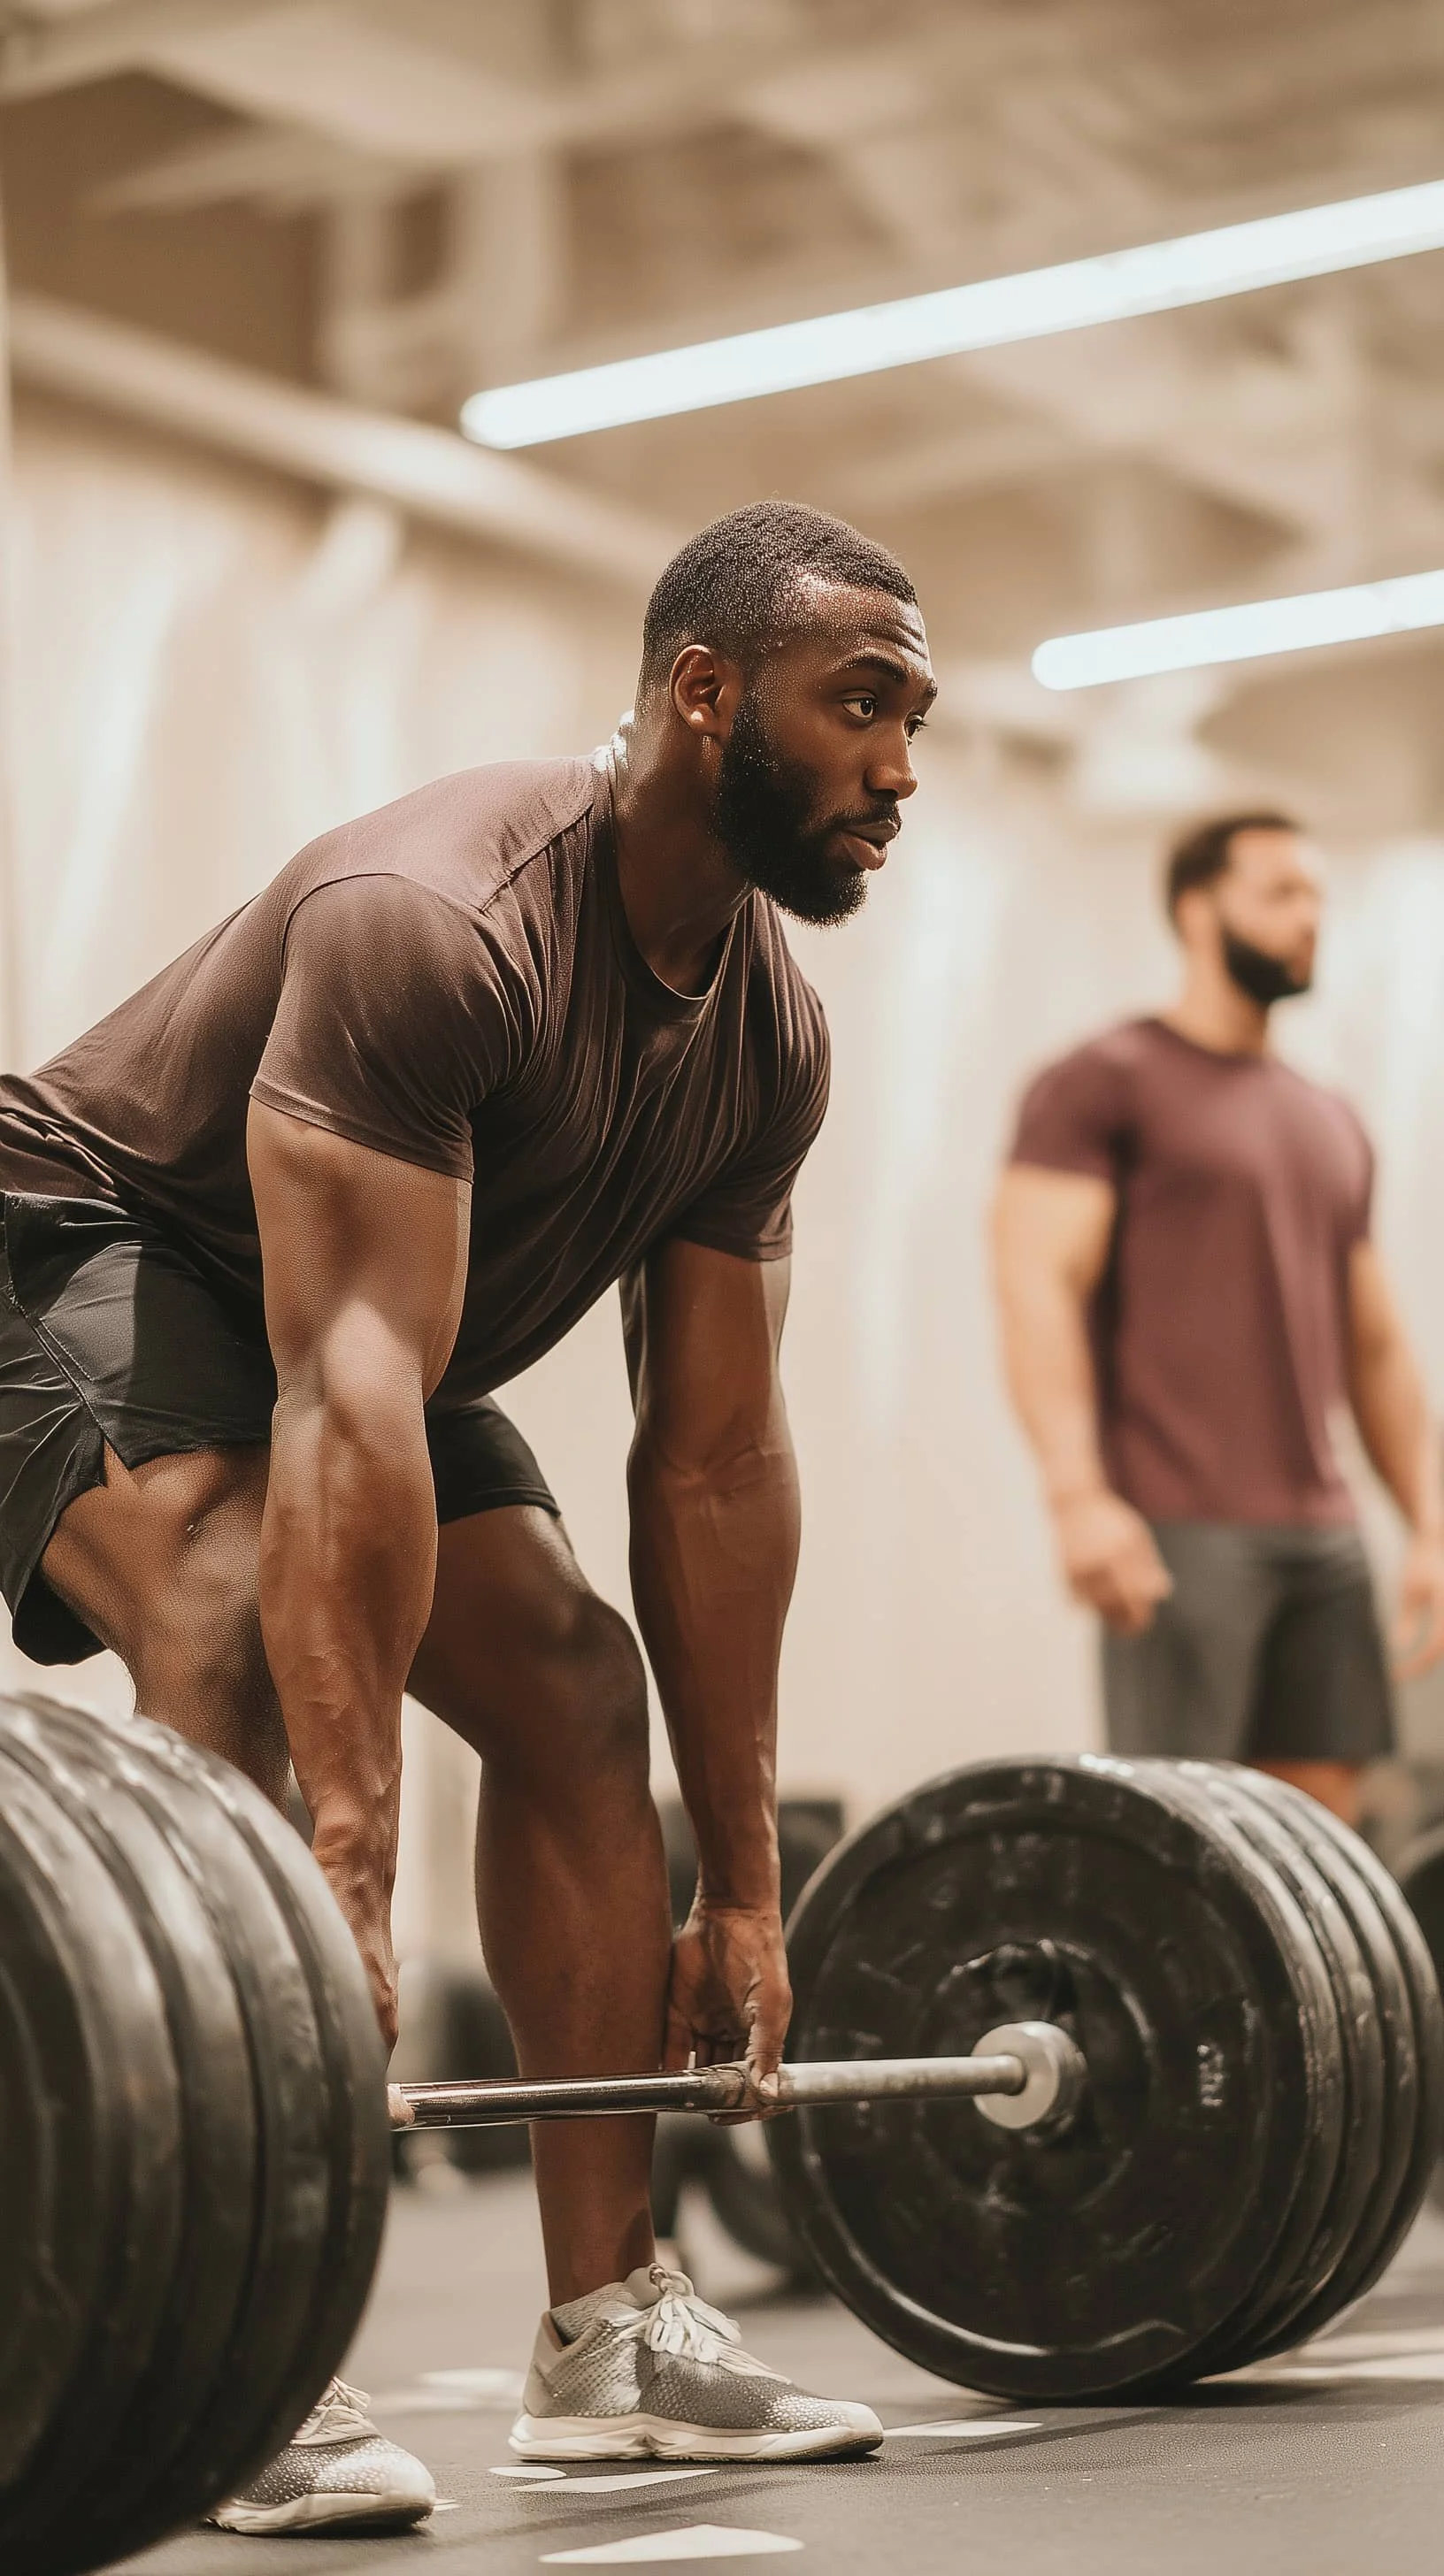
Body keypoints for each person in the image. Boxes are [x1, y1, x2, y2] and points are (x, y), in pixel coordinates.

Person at [0, 502, 936, 2532]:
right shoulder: (440, 919)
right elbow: (342, 1390)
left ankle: (607, 2340)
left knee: (584, 1699)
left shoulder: (767, 1033)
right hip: (85, 1236)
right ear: (704, 693)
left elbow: (709, 1465)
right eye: (859, 704)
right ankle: (247, 2359)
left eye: (915, 715)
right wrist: (342, 1878)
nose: (900, 764)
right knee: (232, 1608)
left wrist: (750, 1891)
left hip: (348, 1319)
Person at [992, 810, 1444, 1823]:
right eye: (1281, 893)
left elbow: (1374, 1343)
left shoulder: (1328, 1117)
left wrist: (1429, 1516)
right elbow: (1035, 1286)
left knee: (1323, 1836)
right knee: (1188, 1839)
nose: (1309, 919)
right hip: (1180, 1522)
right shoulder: (1104, 1082)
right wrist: (1077, 1495)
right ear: (1198, 910)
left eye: (1318, 896)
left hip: (1321, 1530)